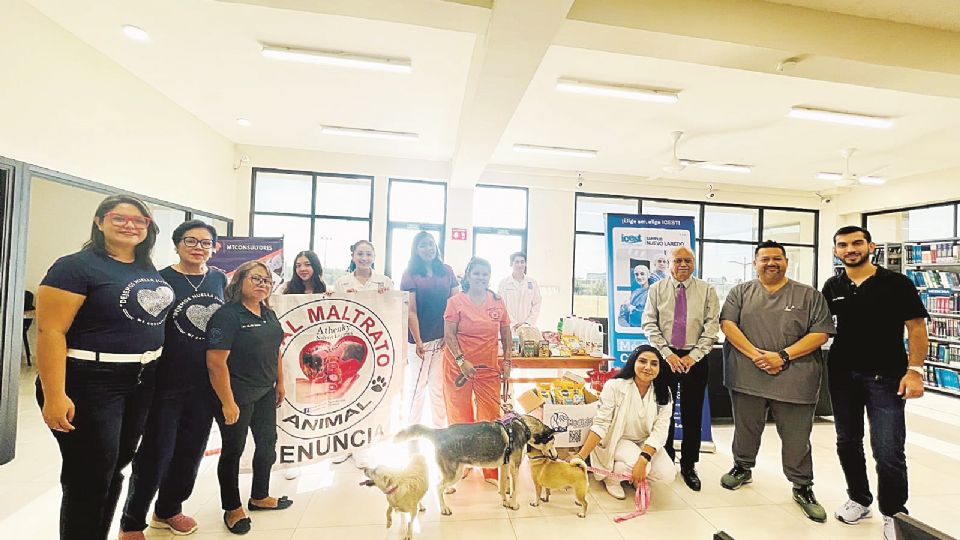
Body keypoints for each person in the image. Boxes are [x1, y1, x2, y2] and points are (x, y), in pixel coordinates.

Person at [35, 195, 174, 540]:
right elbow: (50, 331)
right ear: (99, 221)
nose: (131, 225)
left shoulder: (144, 266)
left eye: (139, 221)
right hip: (90, 381)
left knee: (114, 469)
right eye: (120, 218)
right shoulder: (75, 266)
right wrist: (55, 394)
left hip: (141, 379)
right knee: (90, 474)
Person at [120, 220, 227, 539]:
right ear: (177, 244)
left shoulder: (219, 278)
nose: (198, 247)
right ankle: (132, 521)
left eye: (205, 243)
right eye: (191, 241)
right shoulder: (160, 279)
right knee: (155, 452)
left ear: (214, 247)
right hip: (165, 382)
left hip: (205, 382)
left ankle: (168, 510)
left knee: (191, 452)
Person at [823, 226, 929, 539]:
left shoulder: (896, 283)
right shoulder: (833, 285)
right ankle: (859, 498)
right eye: (843, 245)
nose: (850, 249)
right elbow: (820, 328)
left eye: (857, 243)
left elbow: (917, 328)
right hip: (842, 376)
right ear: (836, 251)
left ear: (871, 246)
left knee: (888, 449)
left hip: (886, 377)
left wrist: (916, 371)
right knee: (847, 442)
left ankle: (894, 512)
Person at [719, 240, 835, 523]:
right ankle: (742, 467)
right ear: (755, 262)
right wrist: (757, 356)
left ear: (786, 261)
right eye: (765, 259)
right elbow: (727, 325)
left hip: (795, 380)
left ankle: (802, 486)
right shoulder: (741, 292)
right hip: (748, 375)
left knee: (797, 438)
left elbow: (820, 333)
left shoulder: (808, 295)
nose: (771, 263)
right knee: (746, 428)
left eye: (777, 259)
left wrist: (782, 356)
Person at [206, 261, 292, 535]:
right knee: (234, 451)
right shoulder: (227, 316)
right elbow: (215, 363)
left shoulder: (268, 313)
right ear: (239, 281)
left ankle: (259, 496)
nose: (262, 284)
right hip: (237, 395)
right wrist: (227, 402)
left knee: (267, 444)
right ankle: (232, 508)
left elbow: (276, 349)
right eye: (255, 279)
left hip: (266, 391)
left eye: (267, 280)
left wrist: (280, 381)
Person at [641, 245, 720, 491]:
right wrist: (668, 355)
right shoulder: (656, 289)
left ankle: (689, 465)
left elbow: (712, 327)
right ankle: (664, 459)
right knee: (662, 412)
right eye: (678, 260)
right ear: (670, 263)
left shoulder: (707, 290)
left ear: (694, 263)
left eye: (688, 260)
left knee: (692, 414)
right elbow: (649, 324)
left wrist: (692, 357)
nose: (683, 264)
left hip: (695, 360)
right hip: (664, 359)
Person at [574, 345, 676, 500]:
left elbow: (660, 431)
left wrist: (643, 459)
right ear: (633, 362)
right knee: (644, 465)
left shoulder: (663, 391)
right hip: (618, 439)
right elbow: (601, 424)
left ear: (660, 368)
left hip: (644, 441)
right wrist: (580, 456)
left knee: (667, 474)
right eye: (642, 361)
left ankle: (633, 474)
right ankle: (612, 479)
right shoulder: (615, 386)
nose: (648, 367)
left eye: (654, 364)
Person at [442, 257, 512, 483]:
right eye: (477, 273)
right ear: (468, 276)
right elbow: (449, 334)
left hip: (488, 366)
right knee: (459, 417)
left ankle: (491, 469)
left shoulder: (497, 301)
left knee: (490, 418)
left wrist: (508, 361)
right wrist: (462, 360)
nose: (481, 277)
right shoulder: (455, 302)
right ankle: (461, 464)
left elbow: (506, 332)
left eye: (485, 274)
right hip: (458, 366)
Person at [400, 231, 459, 427]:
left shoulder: (447, 271)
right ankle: (412, 431)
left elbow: (455, 304)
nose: (428, 248)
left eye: (431, 244)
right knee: (417, 388)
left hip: (442, 339)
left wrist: (448, 334)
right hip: (419, 341)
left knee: (438, 387)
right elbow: (411, 310)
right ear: (416, 249)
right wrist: (418, 341)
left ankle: (440, 429)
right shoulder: (410, 273)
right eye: (423, 245)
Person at [497, 251, 542, 331]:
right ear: (511, 264)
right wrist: (514, 323)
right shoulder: (504, 283)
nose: (520, 265)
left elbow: (537, 304)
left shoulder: (532, 283)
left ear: (525, 264)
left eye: (522, 262)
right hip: (509, 326)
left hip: (527, 327)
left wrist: (527, 323)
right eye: (517, 262)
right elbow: (501, 305)